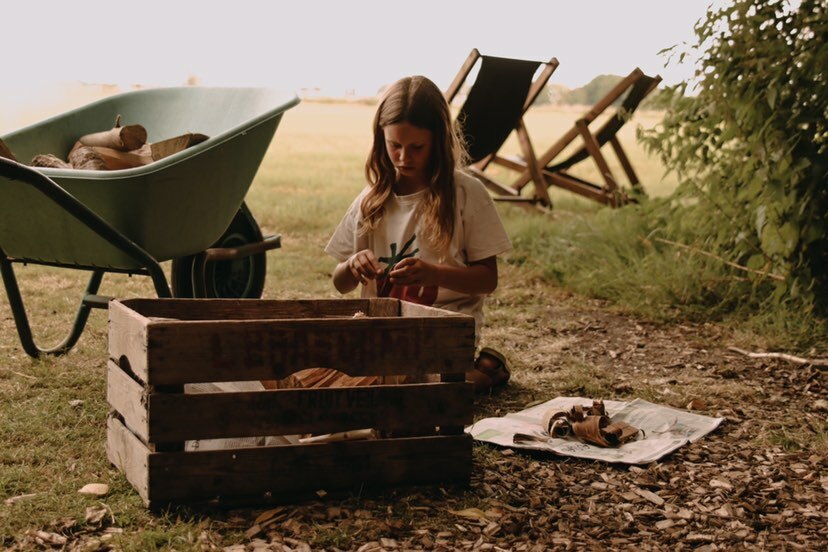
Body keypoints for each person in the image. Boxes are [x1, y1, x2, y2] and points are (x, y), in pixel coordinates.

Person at [324, 75, 512, 393]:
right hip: (380, 331)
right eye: (394, 146)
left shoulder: (466, 193)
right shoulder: (370, 200)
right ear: (380, 140)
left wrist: (434, 274)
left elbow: (487, 280)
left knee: (415, 389)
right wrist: (351, 265)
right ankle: (472, 375)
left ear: (438, 141)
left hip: (443, 331)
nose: (404, 158)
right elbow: (340, 284)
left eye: (417, 147)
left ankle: (479, 376)